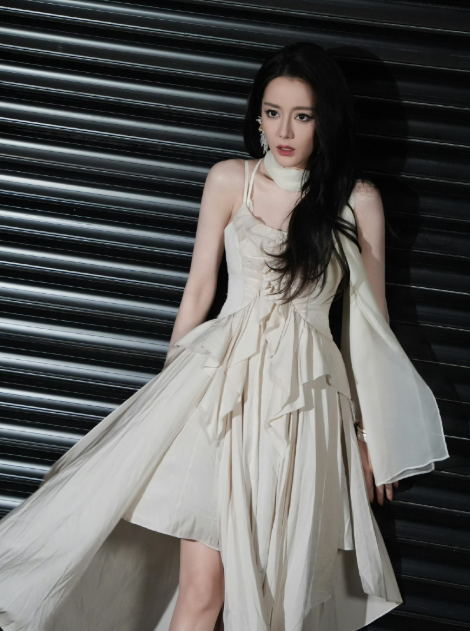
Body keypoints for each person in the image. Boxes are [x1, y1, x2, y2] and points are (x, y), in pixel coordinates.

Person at [0, 42, 448, 631]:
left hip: (304, 407)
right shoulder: (229, 179)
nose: (283, 130)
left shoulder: (356, 200)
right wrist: (164, 404)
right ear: (257, 114)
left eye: (302, 115)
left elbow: (370, 326)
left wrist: (372, 436)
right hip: (218, 398)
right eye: (272, 112)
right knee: (202, 591)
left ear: (326, 120)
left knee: (274, 592)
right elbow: (198, 292)